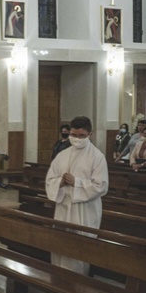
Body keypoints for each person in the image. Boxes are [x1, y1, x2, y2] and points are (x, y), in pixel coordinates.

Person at [45, 115, 108, 275]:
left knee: (79, 248)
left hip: (84, 210)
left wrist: (77, 182)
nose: (77, 139)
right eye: (74, 135)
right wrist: (60, 182)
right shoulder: (62, 155)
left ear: (90, 135)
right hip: (63, 207)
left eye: (82, 136)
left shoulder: (97, 157)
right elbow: (50, 179)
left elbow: (101, 186)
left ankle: (78, 287)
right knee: (60, 245)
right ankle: (59, 283)